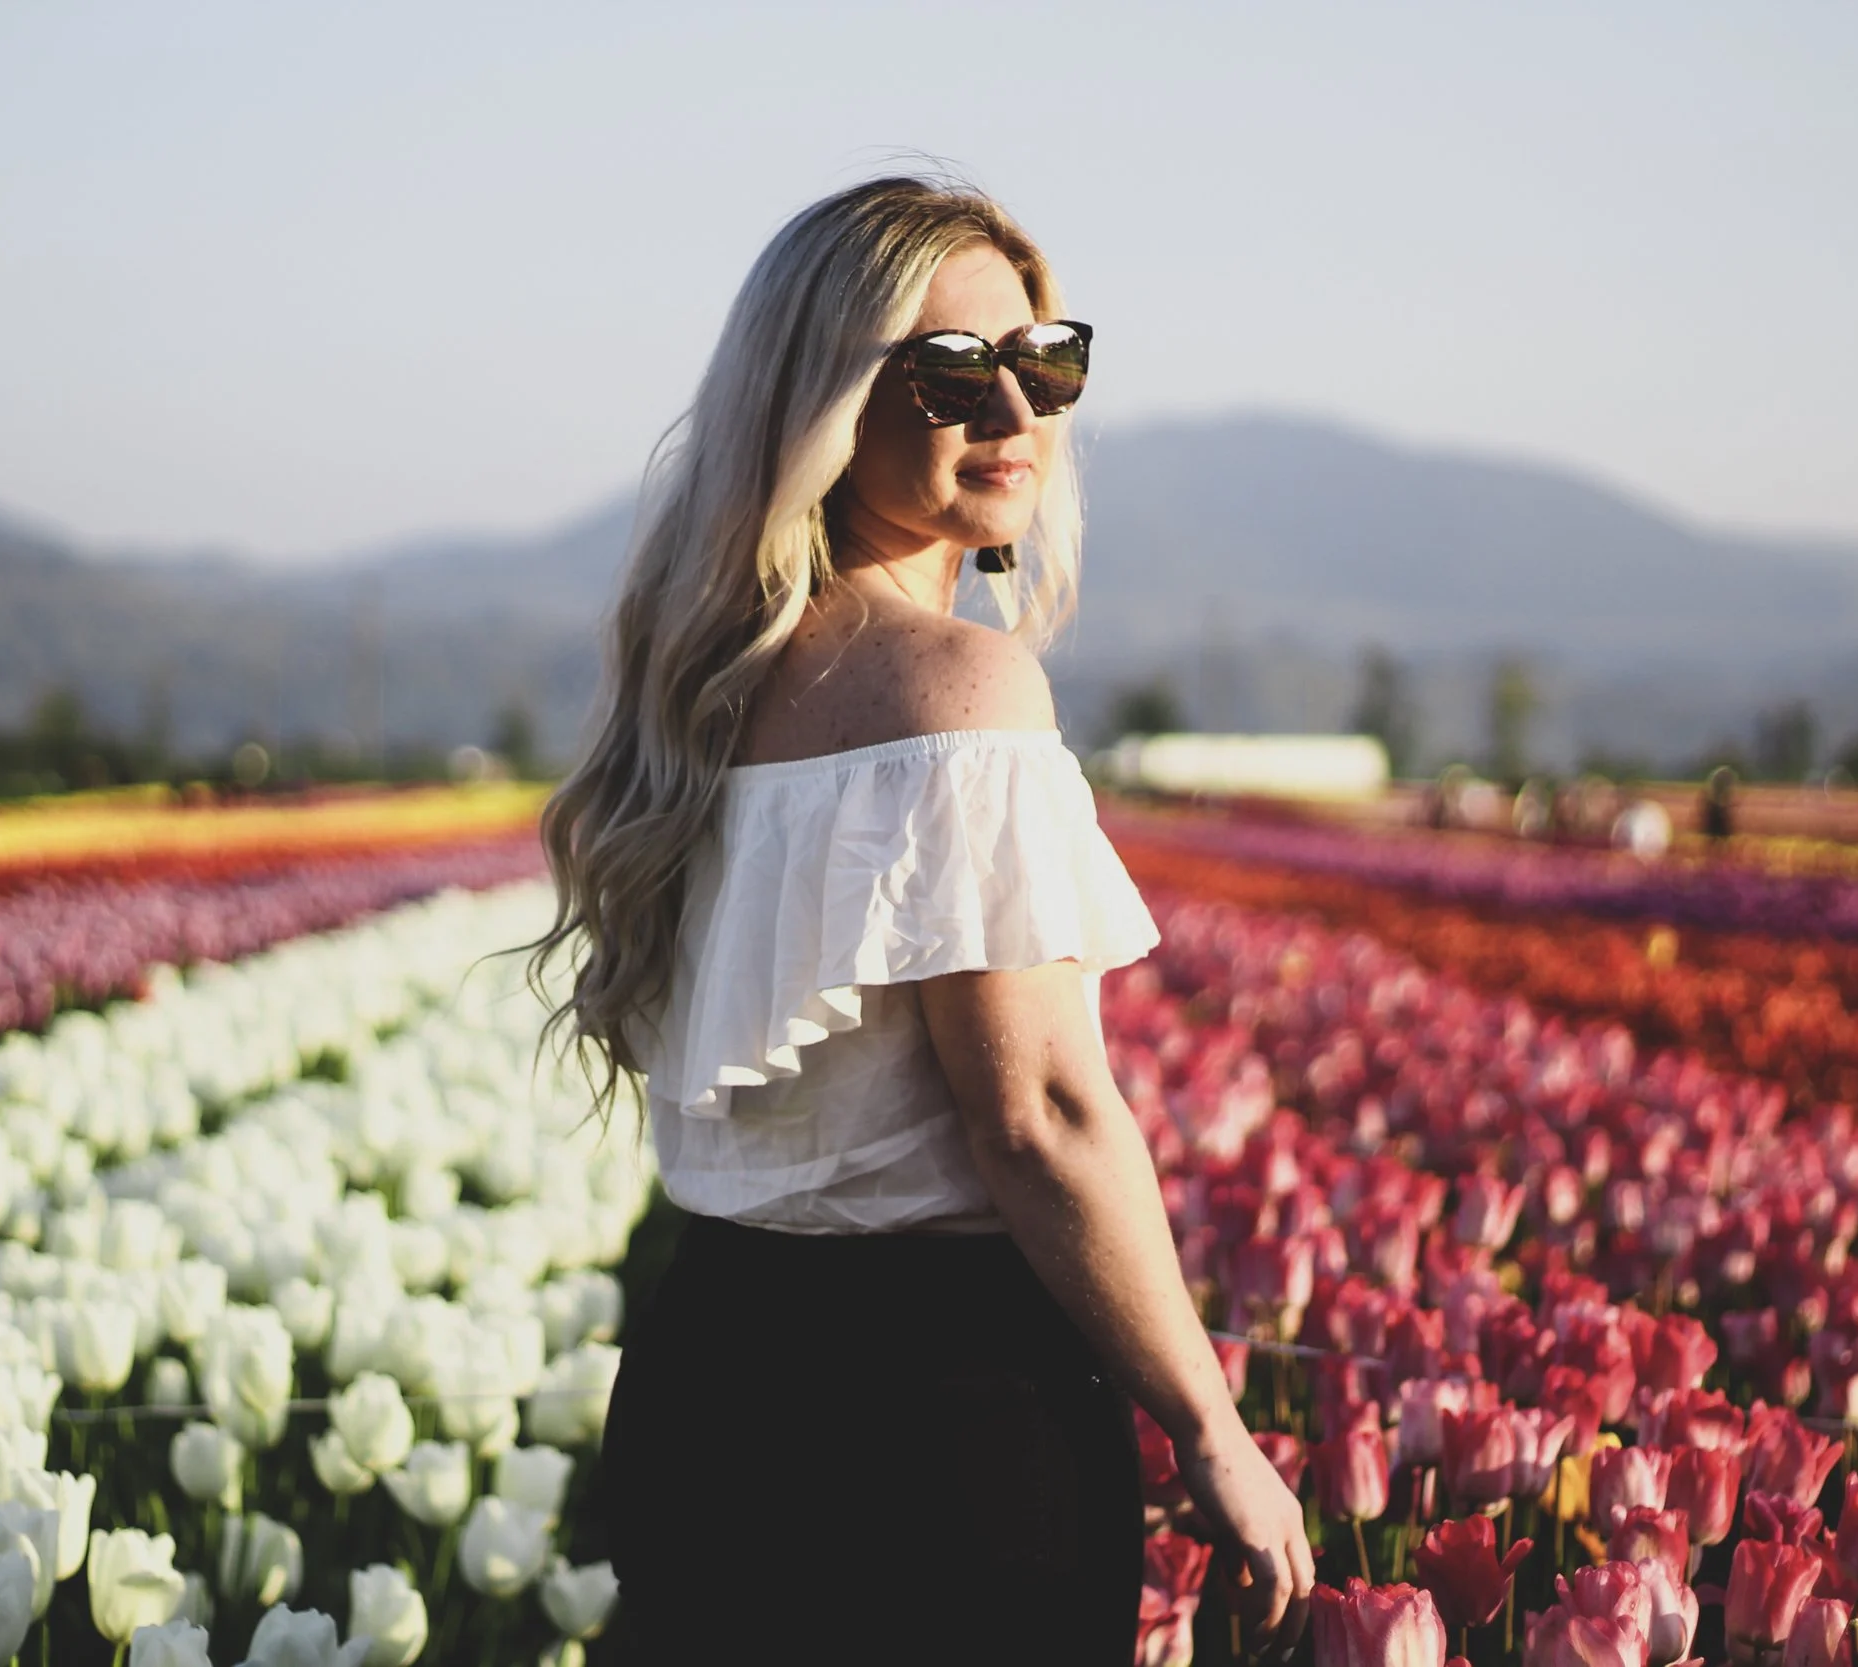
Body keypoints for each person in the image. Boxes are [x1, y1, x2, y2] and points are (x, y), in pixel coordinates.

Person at [528, 178, 1311, 1665]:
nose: (1014, 402)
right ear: (821, 403)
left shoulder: (691, 696)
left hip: (707, 1373)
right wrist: (1207, 1424)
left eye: (1048, 357)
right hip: (935, 1414)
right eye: (951, 370)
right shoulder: (955, 688)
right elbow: (1038, 1114)